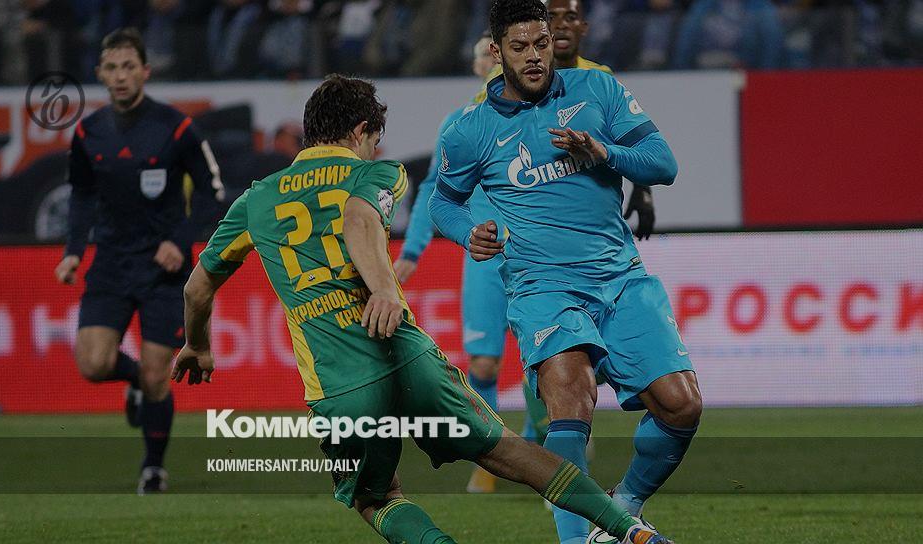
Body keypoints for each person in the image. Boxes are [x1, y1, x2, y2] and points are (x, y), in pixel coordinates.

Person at [171, 74, 674, 544]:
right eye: (374, 139)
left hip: (339, 382)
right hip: (409, 357)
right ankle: (629, 530)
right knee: (508, 451)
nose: (376, 150)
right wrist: (384, 291)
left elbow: (196, 289)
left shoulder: (257, 199)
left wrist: (197, 345)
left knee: (377, 496)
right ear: (361, 131)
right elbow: (359, 217)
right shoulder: (377, 173)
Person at [429, 2, 702, 544]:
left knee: (682, 405)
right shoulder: (469, 128)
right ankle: (576, 541)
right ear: (496, 51)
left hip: (620, 277)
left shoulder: (596, 90)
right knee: (570, 400)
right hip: (543, 287)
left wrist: (605, 152)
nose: (534, 56)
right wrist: (468, 233)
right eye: (519, 47)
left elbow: (663, 163)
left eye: (540, 43)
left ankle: (621, 510)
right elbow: (443, 202)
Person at [394, 0, 656, 496]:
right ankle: (500, 459)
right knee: (484, 364)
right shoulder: (465, 123)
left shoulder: (582, 87)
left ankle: (551, 448)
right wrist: (416, 250)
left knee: (555, 360)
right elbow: (435, 194)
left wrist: (638, 187)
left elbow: (633, 143)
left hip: (547, 260)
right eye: (494, 53)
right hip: (486, 257)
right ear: (492, 56)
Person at [54, 27, 224, 494]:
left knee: (157, 374)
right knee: (93, 364)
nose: (121, 76)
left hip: (164, 270)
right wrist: (73, 252)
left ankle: (153, 468)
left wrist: (180, 240)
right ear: (99, 74)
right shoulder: (88, 131)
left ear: (145, 72)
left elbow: (211, 191)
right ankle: (133, 383)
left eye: (129, 66)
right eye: (112, 67)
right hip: (110, 263)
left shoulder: (177, 127)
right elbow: (81, 195)